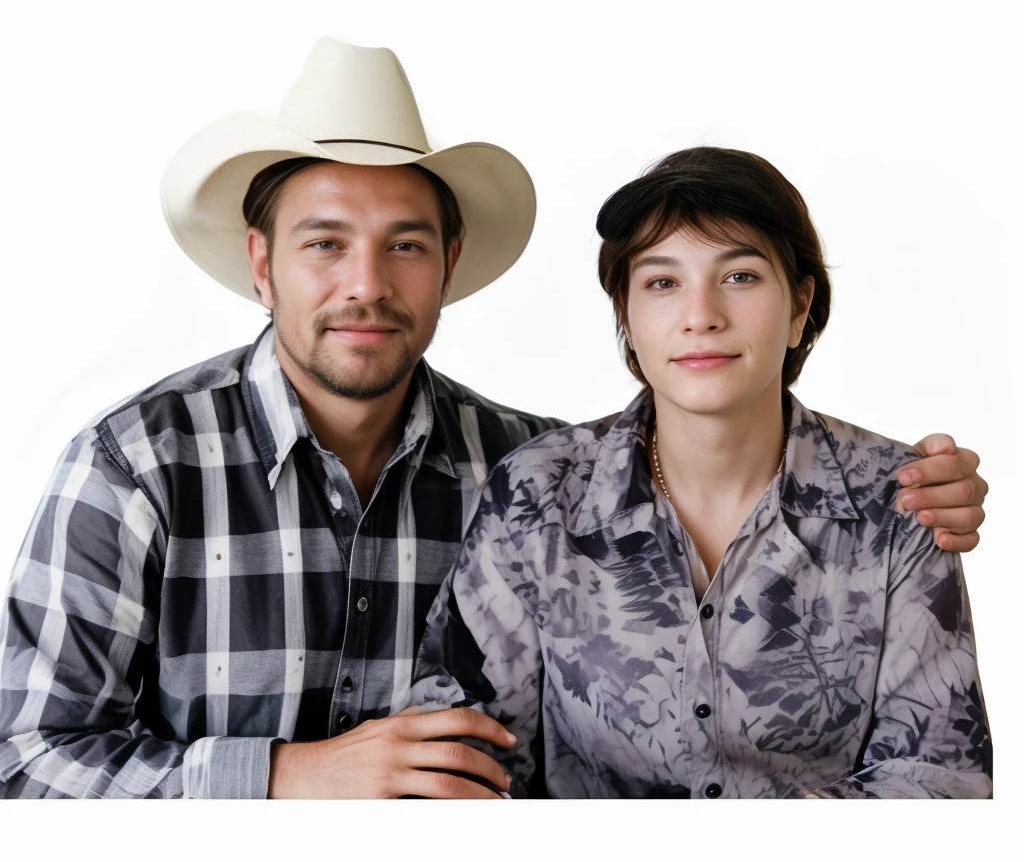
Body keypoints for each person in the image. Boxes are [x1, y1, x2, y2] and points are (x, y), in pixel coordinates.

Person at [0, 43, 988, 800]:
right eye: (323, 243)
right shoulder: (134, 465)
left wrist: (911, 494)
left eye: (405, 245)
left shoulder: (529, 474)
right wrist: (283, 776)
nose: (365, 285)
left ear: (449, 261)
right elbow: (24, 760)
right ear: (261, 262)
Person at [410, 147, 992, 798]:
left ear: (800, 306)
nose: (701, 315)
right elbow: (458, 758)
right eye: (662, 282)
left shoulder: (899, 502)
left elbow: (937, 781)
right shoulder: (538, 493)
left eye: (740, 276)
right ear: (627, 318)